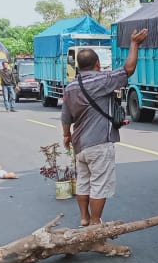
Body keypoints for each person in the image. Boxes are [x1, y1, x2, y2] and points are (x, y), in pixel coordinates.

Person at [61, 28, 148, 227]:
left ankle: (83, 217)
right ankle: (94, 222)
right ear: (97, 64)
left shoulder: (70, 87)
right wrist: (134, 44)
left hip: (80, 145)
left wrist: (66, 135)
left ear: (78, 66)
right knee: (99, 184)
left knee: (83, 181)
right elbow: (128, 69)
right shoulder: (102, 80)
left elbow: (66, 116)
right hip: (99, 143)